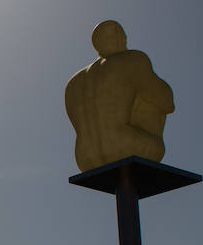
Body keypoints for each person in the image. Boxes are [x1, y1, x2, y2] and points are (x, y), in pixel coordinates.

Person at [64, 19, 175, 171]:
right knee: (147, 95)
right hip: (131, 146)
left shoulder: (74, 82)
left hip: (85, 159)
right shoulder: (133, 59)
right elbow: (167, 103)